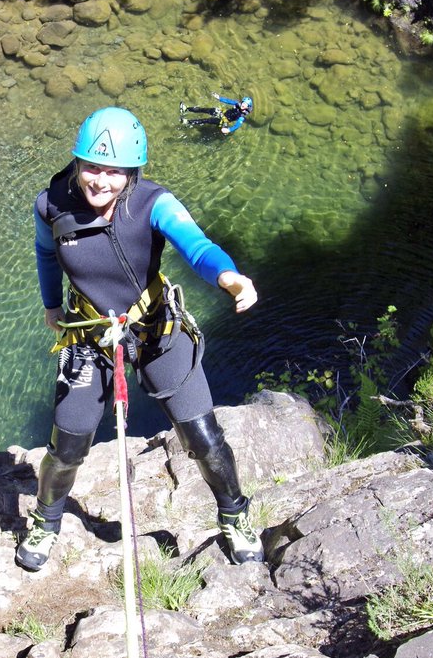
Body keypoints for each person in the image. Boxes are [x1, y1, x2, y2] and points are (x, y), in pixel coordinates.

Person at [17, 106, 262, 572]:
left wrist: (228, 277)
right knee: (66, 447)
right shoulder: (50, 205)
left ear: (132, 172)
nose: (100, 180)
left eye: (114, 171)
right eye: (92, 166)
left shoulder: (154, 203)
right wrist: (51, 305)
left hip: (155, 327)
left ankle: (235, 514)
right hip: (89, 335)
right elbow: (45, 254)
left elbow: (197, 245)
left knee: (204, 438)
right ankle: (46, 521)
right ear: (76, 163)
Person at [181, 92, 254, 135]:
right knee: (204, 110)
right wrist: (219, 97)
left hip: (223, 120)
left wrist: (229, 130)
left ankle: (187, 122)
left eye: (246, 104)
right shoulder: (237, 103)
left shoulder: (241, 116)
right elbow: (228, 101)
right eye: (243, 103)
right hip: (221, 112)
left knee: (207, 120)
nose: (243, 105)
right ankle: (186, 109)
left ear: (248, 107)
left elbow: (237, 126)